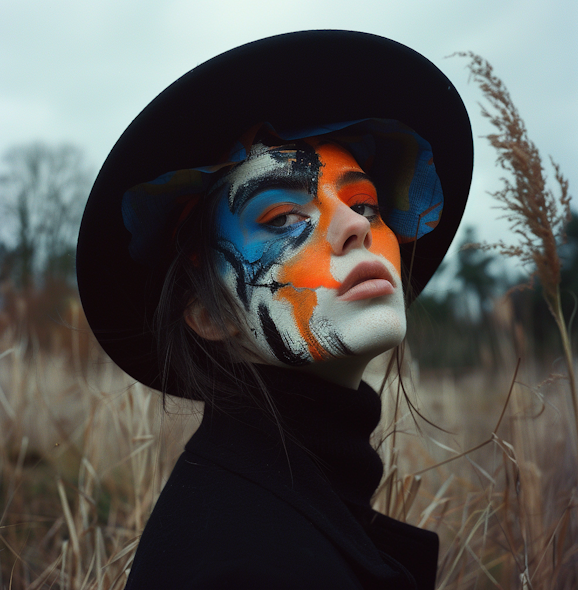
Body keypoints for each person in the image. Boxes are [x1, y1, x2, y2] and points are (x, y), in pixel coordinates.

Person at [77, 31, 473, 589]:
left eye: (366, 204)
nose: (356, 226)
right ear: (207, 313)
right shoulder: (243, 566)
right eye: (284, 217)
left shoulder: (281, 506)